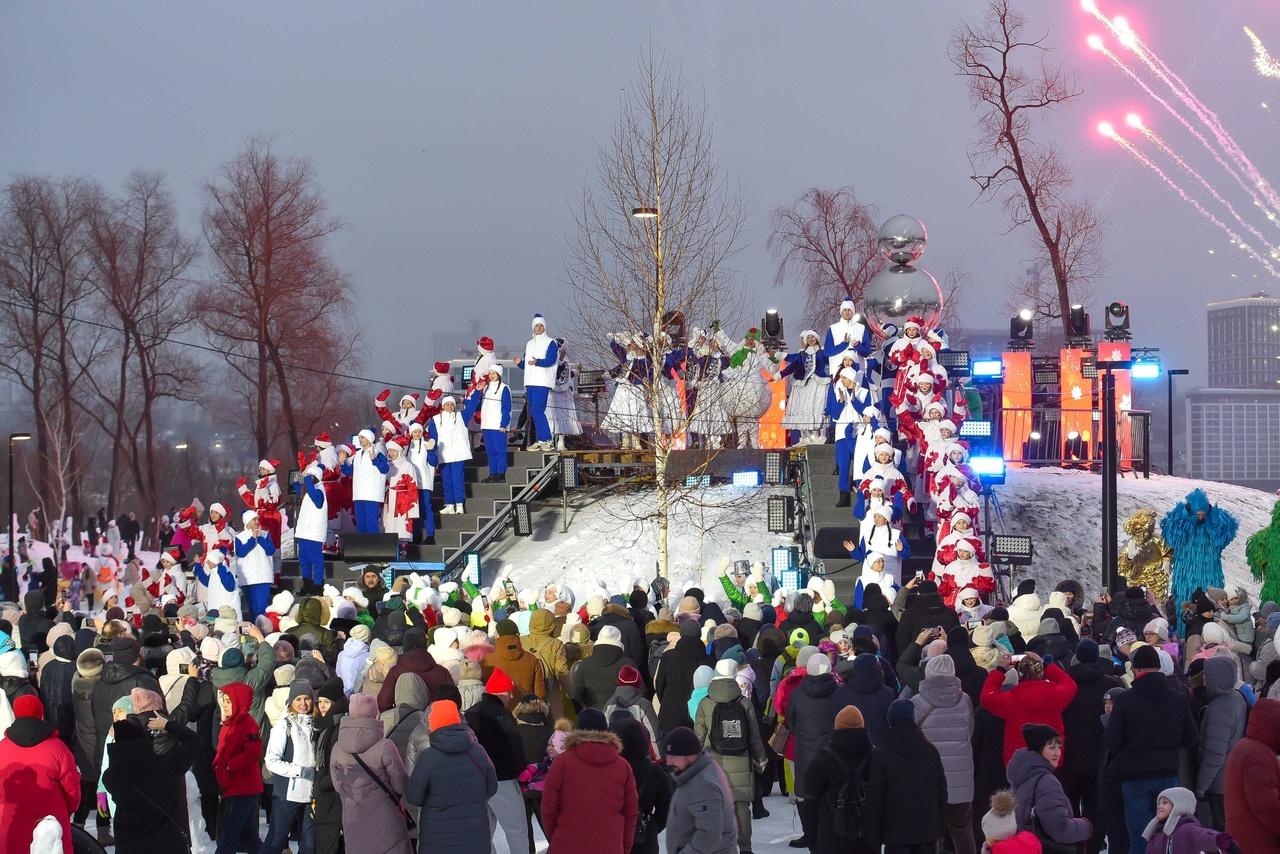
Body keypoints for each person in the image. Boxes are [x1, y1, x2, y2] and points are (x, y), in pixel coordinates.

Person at [1105, 643, 1198, 853]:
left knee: (1139, 836)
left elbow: (1112, 741)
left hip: (1134, 776)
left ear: (1136, 669)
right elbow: (1191, 738)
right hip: (1168, 775)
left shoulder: (1126, 701)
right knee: (1168, 835)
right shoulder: (1178, 699)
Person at [405, 699, 497, 854]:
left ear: (433, 725)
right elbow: (492, 788)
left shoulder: (428, 757)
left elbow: (414, 797)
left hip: (438, 839)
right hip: (474, 837)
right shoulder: (478, 752)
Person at [541, 709, 639, 854]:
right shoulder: (623, 766)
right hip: (609, 845)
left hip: (567, 844)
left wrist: (556, 836)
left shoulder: (562, 763)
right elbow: (630, 812)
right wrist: (623, 848)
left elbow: (548, 808)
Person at [694, 659, 767, 854]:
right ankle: (745, 847)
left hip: (713, 763)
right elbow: (754, 734)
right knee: (742, 806)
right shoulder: (744, 702)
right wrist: (760, 758)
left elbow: (698, 737)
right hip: (741, 759)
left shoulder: (705, 702)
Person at [103, 711, 199, 854]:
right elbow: (194, 741)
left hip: (129, 847)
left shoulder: (110, 778)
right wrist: (167, 725)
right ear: (144, 738)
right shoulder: (165, 767)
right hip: (167, 845)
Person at [330, 693, 414, 854]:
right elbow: (401, 784)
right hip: (386, 820)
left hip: (352, 817)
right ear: (375, 714)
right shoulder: (385, 746)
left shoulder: (338, 747)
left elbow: (337, 784)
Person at [1060, 638, 1122, 853]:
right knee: (1096, 804)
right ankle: (1094, 844)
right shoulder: (1112, 684)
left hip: (1068, 753)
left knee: (1069, 803)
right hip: (1100, 754)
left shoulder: (1065, 684)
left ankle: (1074, 844)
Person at [864, 699, 948, 853]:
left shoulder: (882, 753)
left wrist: (873, 838)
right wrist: (939, 828)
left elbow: (876, 798)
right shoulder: (930, 751)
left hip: (895, 834)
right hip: (927, 832)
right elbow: (941, 793)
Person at [912, 654, 976, 854]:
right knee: (963, 831)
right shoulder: (964, 699)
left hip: (930, 782)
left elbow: (913, 739)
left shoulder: (917, 702)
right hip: (961, 783)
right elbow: (970, 731)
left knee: (933, 835)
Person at [0, 695, 80, 854]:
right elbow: (72, 788)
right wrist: (67, 810)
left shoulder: (3, 747)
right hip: (49, 818)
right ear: (40, 713)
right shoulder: (58, 748)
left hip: (10, 818)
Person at [466, 667, 530, 853]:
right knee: (516, 830)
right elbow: (514, 746)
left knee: (483, 832)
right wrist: (521, 770)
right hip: (503, 779)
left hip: (476, 780)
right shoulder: (501, 715)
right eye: (510, 692)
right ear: (502, 692)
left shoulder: (470, 712)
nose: (511, 697)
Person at [979, 651, 1076, 766]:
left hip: (1018, 761)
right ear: (1041, 673)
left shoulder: (1010, 699)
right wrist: (1046, 665)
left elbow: (986, 696)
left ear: (1020, 675)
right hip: (1051, 757)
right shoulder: (1055, 694)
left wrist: (1000, 670)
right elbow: (1070, 684)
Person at [1007, 724, 1091, 849]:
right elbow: (1059, 829)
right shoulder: (1046, 782)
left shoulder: (1022, 775)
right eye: (1052, 748)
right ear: (1038, 750)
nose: (1057, 753)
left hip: (1024, 847)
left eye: (1059, 748)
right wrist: (1086, 826)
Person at [805, 705, 875, 854]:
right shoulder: (875, 757)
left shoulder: (824, 758)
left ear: (837, 726)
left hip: (831, 837)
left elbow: (810, 801)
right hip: (867, 836)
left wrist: (812, 840)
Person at [260, 681, 318, 854]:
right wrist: (299, 771)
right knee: (276, 842)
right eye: (298, 699)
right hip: (287, 794)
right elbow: (271, 761)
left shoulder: (315, 724)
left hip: (311, 795)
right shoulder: (284, 725)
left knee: (309, 844)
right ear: (291, 701)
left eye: (307, 698)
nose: (303, 703)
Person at [662, 727, 738, 854]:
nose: (669, 762)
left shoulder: (704, 785)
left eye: (674, 756)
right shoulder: (694, 773)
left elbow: (709, 835)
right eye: (668, 756)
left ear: (690, 755)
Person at [1197, 655, 1247, 830]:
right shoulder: (1236, 698)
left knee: (1221, 832)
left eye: (1206, 674)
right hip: (1232, 777)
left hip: (1219, 784)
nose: (1203, 678)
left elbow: (1215, 752)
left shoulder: (1220, 708)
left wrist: (1201, 786)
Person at [213, 682, 264, 854]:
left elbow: (253, 752)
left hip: (243, 787)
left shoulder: (247, 724)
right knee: (247, 833)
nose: (225, 706)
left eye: (229, 701)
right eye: (224, 702)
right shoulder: (229, 723)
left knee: (229, 833)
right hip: (232, 786)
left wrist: (229, 766)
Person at [1224, 697, 1280, 851]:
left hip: (1245, 839)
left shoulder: (1247, 747)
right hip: (1258, 843)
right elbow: (1267, 806)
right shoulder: (1258, 756)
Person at [614, 716, 673, 854]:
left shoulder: (610, 768)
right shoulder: (654, 771)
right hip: (644, 839)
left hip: (615, 835)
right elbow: (666, 808)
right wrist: (651, 826)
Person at [314, 679, 349, 854]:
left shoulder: (338, 726)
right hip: (324, 793)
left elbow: (339, 762)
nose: (322, 706)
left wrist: (323, 783)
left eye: (326, 702)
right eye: (319, 702)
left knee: (330, 841)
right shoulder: (324, 724)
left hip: (333, 792)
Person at [516, 313, 559, 451]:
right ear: (533, 327)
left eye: (541, 325)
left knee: (538, 411)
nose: (539, 328)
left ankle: (547, 440)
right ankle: (541, 440)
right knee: (533, 413)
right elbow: (527, 365)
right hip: (531, 382)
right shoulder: (529, 344)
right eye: (537, 326)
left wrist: (537, 362)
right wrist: (519, 363)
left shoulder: (550, 342)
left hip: (542, 381)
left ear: (544, 327)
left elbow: (551, 360)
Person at [572, 624, 635, 711]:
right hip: (623, 715)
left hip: (593, 717)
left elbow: (577, 694)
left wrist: (581, 714)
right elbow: (639, 691)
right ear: (619, 641)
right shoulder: (628, 665)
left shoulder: (585, 664)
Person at [470, 365, 512, 482]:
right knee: (490, 451)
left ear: (499, 374)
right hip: (487, 425)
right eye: (490, 373)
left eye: (494, 373)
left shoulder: (504, 388)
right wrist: (478, 391)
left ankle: (501, 473)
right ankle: (493, 473)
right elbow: (478, 405)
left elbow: (506, 407)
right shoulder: (486, 388)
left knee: (500, 450)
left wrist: (504, 424)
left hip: (498, 426)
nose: (491, 376)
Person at [234, 509, 276, 619]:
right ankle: (255, 632)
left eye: (257, 519)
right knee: (253, 609)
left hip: (263, 578)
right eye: (254, 519)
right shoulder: (239, 537)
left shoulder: (265, 535)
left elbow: (270, 550)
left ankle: (262, 632)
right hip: (248, 579)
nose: (257, 521)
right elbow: (241, 552)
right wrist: (252, 539)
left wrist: (260, 538)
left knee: (261, 609)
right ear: (247, 522)